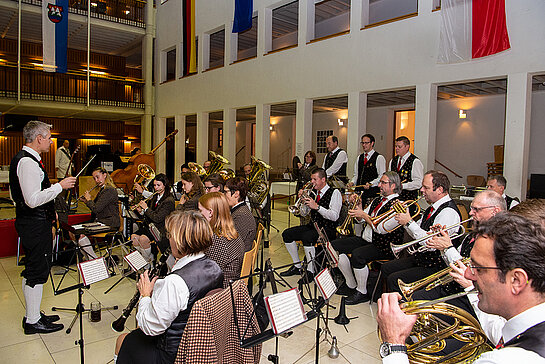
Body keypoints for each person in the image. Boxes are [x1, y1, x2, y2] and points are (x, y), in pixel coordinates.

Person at [377, 213, 545, 363]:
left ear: (516, 280)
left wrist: (394, 344)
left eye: (478, 269)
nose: (469, 275)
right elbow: (497, 331)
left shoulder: (505, 359)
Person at [115, 210, 224, 364]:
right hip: (200, 345)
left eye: (171, 236)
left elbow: (150, 327)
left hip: (173, 354)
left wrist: (145, 295)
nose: (169, 240)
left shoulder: (175, 282)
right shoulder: (215, 267)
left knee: (126, 340)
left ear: (180, 241)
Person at [9, 120, 76, 334]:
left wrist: (50, 211)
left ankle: (34, 314)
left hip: (34, 221)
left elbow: (17, 196)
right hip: (34, 224)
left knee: (35, 270)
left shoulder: (26, 160)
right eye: (48, 137)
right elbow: (31, 199)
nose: (50, 141)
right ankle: (32, 321)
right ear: (39, 138)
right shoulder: (27, 162)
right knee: (37, 272)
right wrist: (59, 186)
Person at [331, 171, 404, 304]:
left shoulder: (398, 204)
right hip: (368, 240)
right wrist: (358, 206)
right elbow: (361, 220)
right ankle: (351, 284)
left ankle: (362, 291)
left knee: (358, 255)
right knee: (335, 246)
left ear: (393, 186)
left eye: (383, 183)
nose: (380, 185)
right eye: (380, 182)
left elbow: (381, 228)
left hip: (384, 244)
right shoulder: (378, 200)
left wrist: (363, 215)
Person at [383, 170, 461, 292]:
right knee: (387, 268)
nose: (422, 190)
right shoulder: (432, 208)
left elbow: (430, 243)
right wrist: (404, 219)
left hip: (435, 266)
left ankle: (401, 308)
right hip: (423, 259)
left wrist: (409, 222)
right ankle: (387, 303)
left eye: (426, 187)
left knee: (394, 278)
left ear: (439, 190)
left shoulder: (448, 212)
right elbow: (417, 231)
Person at [280, 168, 342, 280]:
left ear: (323, 179)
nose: (312, 182)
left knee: (307, 237)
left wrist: (317, 207)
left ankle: (311, 270)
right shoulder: (313, 193)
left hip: (328, 228)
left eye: (315, 179)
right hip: (313, 226)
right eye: (311, 179)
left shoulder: (334, 193)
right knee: (287, 234)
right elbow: (304, 214)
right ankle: (297, 266)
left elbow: (334, 216)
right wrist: (303, 202)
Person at [198, 192, 245, 288]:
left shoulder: (217, 240)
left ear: (210, 212)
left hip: (221, 292)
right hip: (231, 286)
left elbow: (208, 275)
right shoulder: (231, 232)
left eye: (200, 211)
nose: (198, 214)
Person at [76, 167, 120, 259]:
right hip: (102, 221)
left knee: (81, 234)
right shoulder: (103, 189)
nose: (96, 180)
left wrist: (89, 199)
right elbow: (96, 207)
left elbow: (96, 209)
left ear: (104, 175)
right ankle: (91, 259)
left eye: (97, 177)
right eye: (94, 178)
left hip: (109, 222)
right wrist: (86, 201)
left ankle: (93, 259)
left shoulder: (109, 190)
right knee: (75, 230)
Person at [131, 174, 176, 263]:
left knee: (143, 239)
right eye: (154, 185)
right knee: (134, 238)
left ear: (165, 185)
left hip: (161, 229)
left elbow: (157, 218)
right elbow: (151, 214)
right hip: (151, 226)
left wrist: (146, 208)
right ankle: (146, 260)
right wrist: (141, 212)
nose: (156, 188)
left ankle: (149, 262)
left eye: (158, 185)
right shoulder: (155, 196)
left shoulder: (169, 200)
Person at [348, 134, 386, 206]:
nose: (364, 145)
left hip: (372, 193)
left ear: (372, 143)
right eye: (362, 143)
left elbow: (381, 176)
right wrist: (352, 182)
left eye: (366, 143)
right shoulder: (359, 157)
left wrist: (371, 184)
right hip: (359, 193)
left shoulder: (379, 158)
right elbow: (356, 175)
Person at [224, 177, 257, 252]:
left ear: (236, 193)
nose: (224, 195)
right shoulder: (239, 210)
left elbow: (232, 244)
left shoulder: (241, 215)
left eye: (226, 192)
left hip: (237, 258)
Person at [388, 136, 423, 200]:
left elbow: (419, 182)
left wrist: (403, 186)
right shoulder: (393, 160)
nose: (397, 149)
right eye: (396, 146)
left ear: (407, 147)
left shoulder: (415, 161)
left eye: (399, 147)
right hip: (393, 198)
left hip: (408, 198)